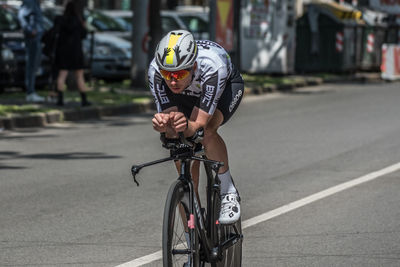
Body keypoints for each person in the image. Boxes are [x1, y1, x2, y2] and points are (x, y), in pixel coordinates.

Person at [148, 30, 244, 224]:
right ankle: (193, 225)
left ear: (193, 66)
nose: (173, 80)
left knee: (205, 132)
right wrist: (164, 126)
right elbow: (173, 126)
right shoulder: (155, 72)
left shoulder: (212, 65)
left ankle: (227, 190)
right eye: (167, 74)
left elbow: (197, 126)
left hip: (222, 87)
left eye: (179, 73)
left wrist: (187, 126)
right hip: (186, 93)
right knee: (178, 143)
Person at [53, 1, 91, 107]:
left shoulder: (60, 20)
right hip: (76, 51)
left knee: (62, 75)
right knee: (79, 76)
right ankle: (84, 99)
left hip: (63, 51)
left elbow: (54, 32)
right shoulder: (78, 21)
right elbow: (84, 35)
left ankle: (60, 99)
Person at [18, 0, 45, 102]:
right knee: (31, 65)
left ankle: (32, 91)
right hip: (32, 39)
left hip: (36, 38)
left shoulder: (35, 3)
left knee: (34, 66)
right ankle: (30, 92)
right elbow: (21, 17)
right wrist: (30, 30)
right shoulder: (30, 2)